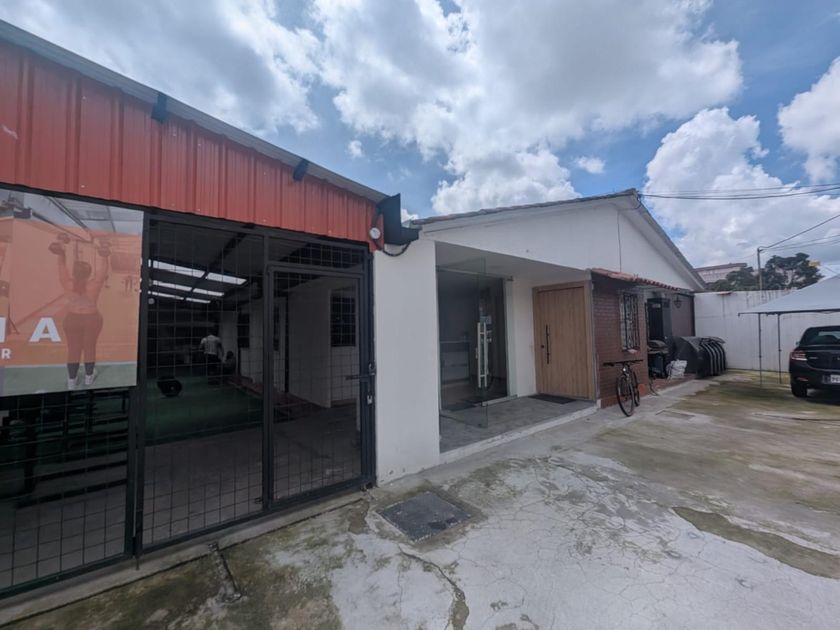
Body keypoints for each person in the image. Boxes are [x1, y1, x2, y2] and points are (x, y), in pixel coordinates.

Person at [49, 235, 110, 390]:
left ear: (74, 273)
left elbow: (61, 265)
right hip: (92, 319)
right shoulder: (94, 284)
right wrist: (104, 255)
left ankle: (71, 381)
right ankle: (88, 378)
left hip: (72, 320)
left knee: (73, 350)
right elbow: (103, 270)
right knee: (90, 348)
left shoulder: (67, 283)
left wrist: (62, 252)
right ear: (89, 273)